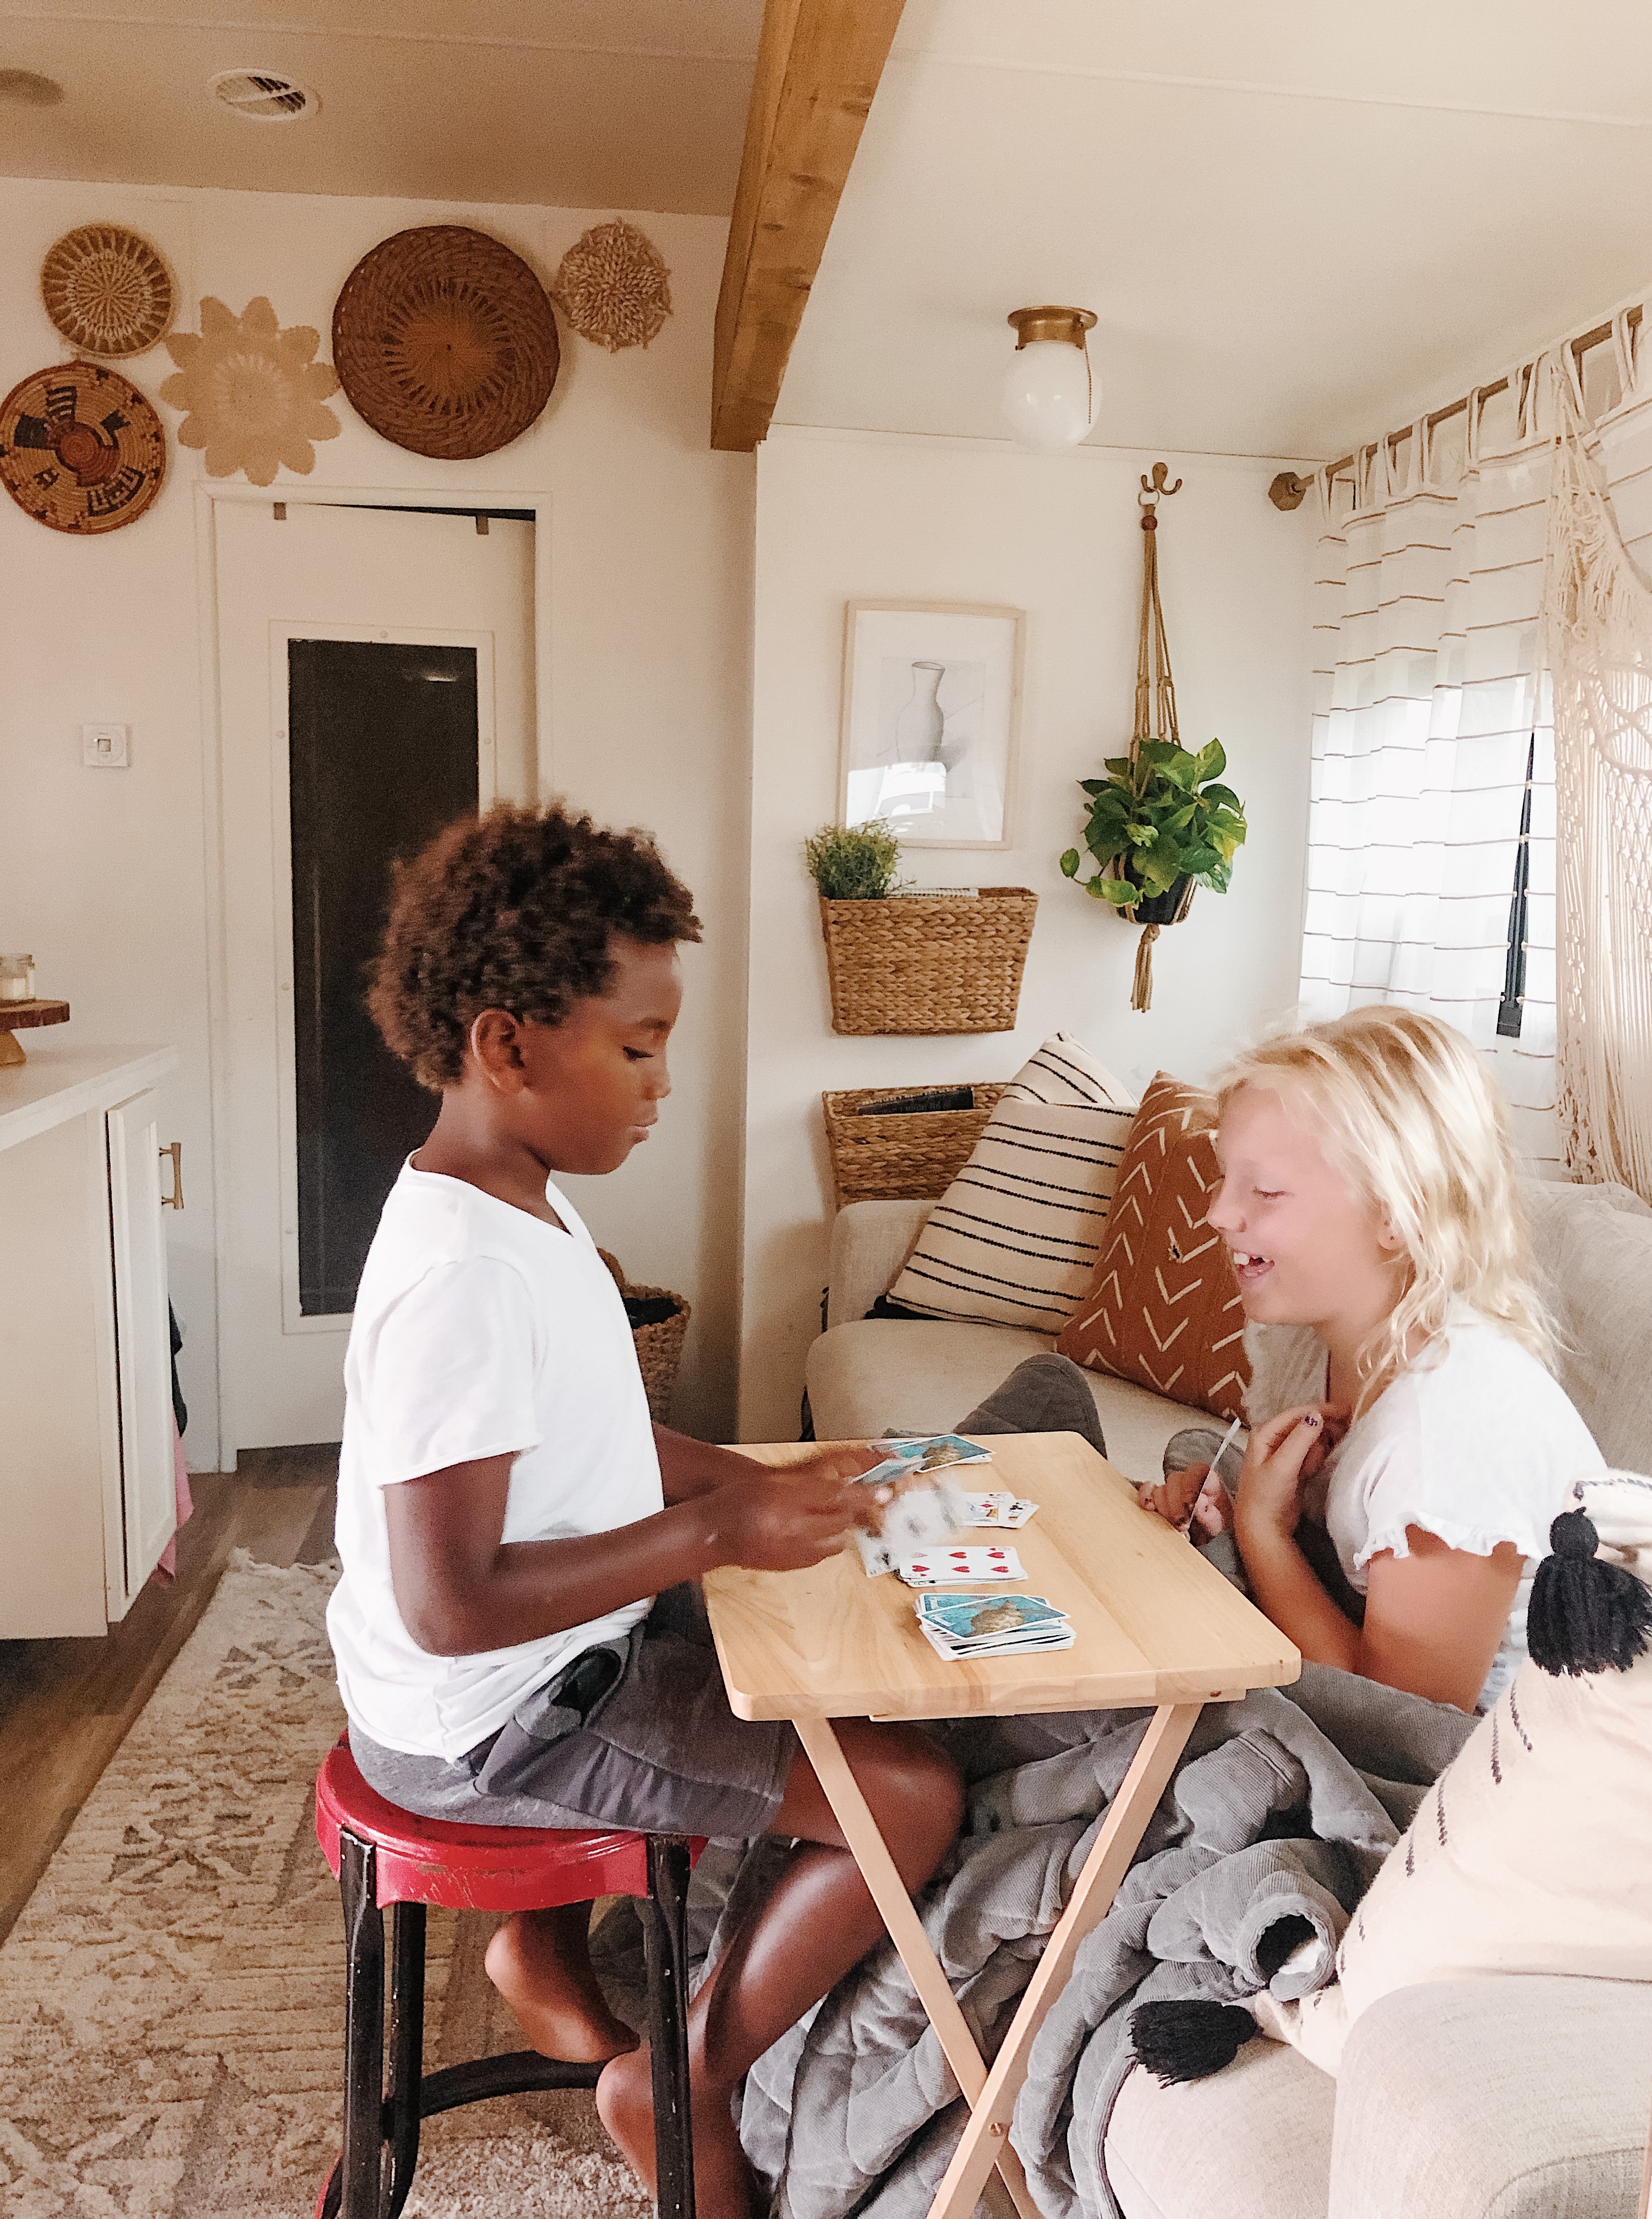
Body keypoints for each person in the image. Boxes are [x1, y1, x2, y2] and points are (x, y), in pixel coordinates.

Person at [327, 801, 964, 2217]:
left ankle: (540, 1953)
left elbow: (598, 1436)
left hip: (519, 1670)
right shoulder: (468, 1278)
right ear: (506, 1044)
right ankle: (687, 2077)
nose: (663, 1082)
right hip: (496, 1722)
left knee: (810, 1624)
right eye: (637, 1046)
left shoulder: (518, 1206)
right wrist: (716, 1535)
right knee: (905, 1796)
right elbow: (454, 1606)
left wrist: (759, 1480)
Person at [1140, 1005, 1602, 1713]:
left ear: (1397, 1214)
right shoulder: (1306, 1337)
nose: (1219, 1215)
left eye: (1264, 1190)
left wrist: (1262, 1535)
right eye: (1225, 1179)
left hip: (1477, 1772)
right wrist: (1234, 1516)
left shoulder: (1449, 1436)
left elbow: (1403, 1726)